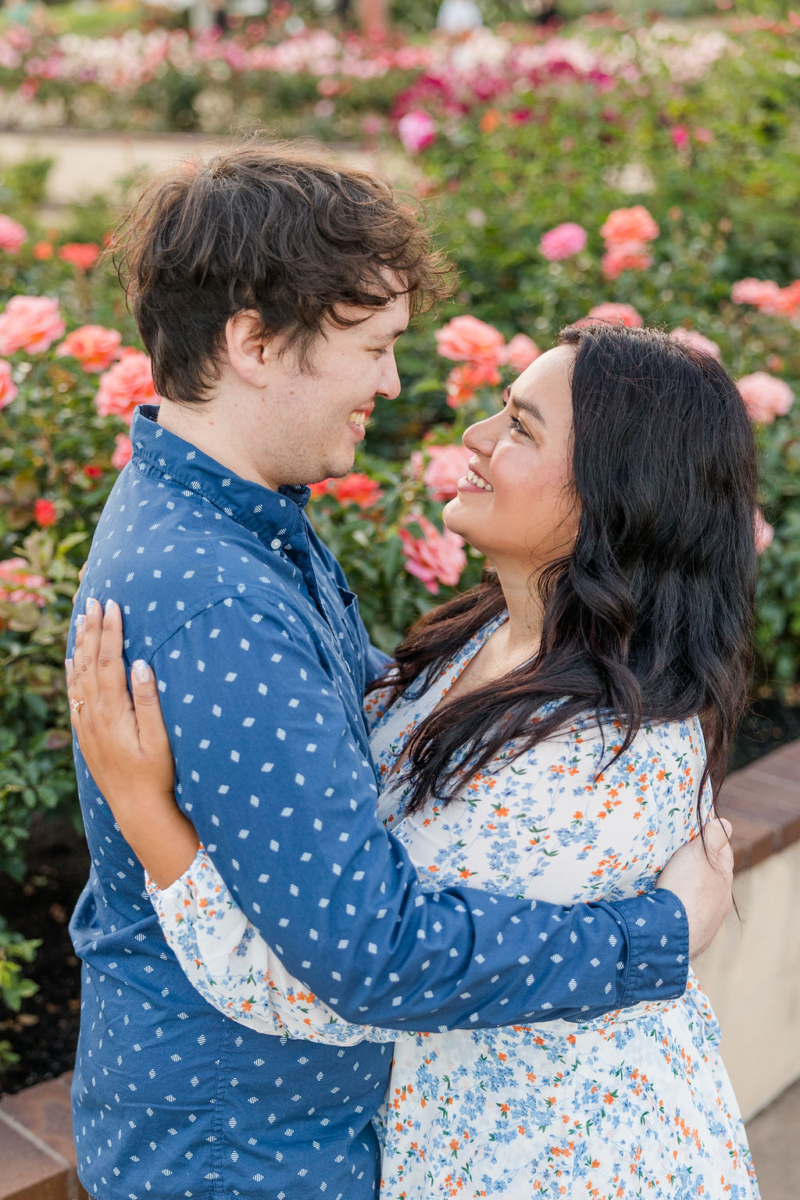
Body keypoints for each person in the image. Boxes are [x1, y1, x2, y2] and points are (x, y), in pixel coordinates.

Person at [65, 145, 735, 1200]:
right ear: (252, 343)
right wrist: (657, 935)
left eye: (516, 425)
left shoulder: (256, 527)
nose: (395, 383)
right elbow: (373, 955)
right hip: (246, 1149)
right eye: (374, 346)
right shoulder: (219, 597)